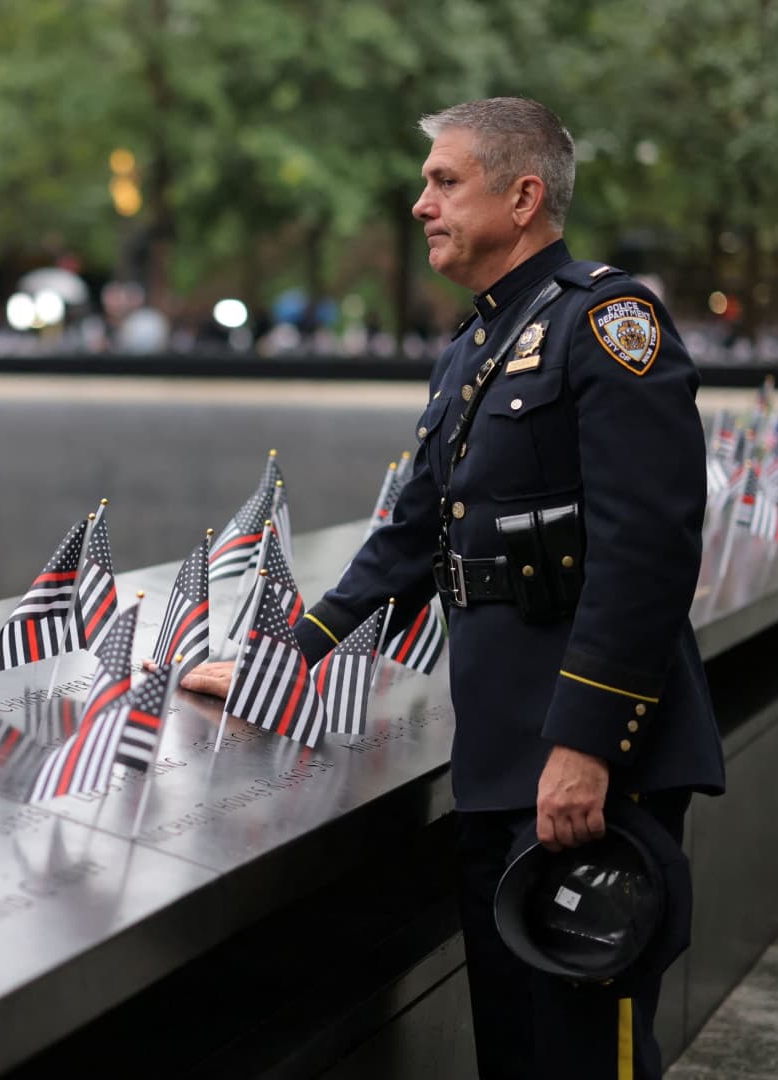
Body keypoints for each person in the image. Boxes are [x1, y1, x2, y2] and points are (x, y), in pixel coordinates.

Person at [169, 98, 724, 1079]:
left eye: (444, 180)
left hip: (595, 769)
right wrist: (280, 660)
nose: (421, 202)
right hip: (502, 765)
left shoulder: (609, 323)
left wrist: (586, 748)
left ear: (523, 195)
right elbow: (413, 536)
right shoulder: (474, 348)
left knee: (585, 1058)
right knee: (514, 1051)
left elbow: (649, 552)